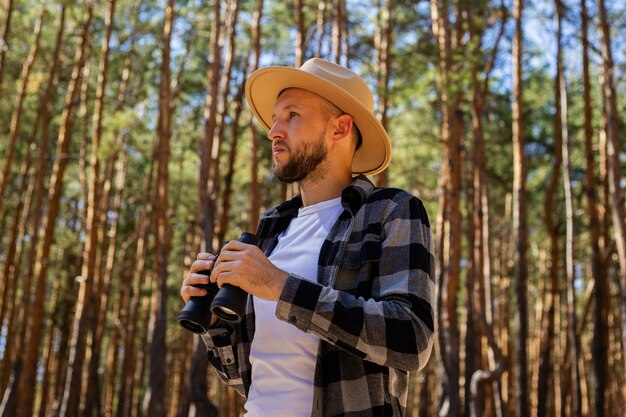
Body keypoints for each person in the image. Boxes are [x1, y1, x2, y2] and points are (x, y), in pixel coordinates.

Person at [180, 58, 435, 417]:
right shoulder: (272, 228)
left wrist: (280, 286)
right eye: (274, 118)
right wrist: (214, 326)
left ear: (340, 128)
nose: (273, 131)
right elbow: (249, 378)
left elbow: (411, 338)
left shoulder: (391, 211)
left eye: (292, 115)